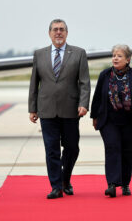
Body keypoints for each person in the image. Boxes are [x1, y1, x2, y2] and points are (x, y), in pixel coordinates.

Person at [28, 19, 90, 199]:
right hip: (46, 109)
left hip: (71, 109)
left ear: (67, 33)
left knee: (72, 147)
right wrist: (32, 108)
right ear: (49, 33)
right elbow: (34, 83)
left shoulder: (78, 53)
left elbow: (84, 82)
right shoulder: (39, 54)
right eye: (55, 29)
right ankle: (56, 187)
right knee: (51, 149)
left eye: (62, 29)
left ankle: (65, 179)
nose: (58, 33)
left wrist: (84, 104)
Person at [90, 44, 132, 198]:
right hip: (109, 120)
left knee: (127, 152)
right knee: (112, 148)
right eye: (114, 55)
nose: (115, 58)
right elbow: (97, 97)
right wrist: (94, 116)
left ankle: (125, 183)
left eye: (119, 56)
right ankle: (112, 184)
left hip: (129, 120)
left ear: (127, 60)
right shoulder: (105, 75)